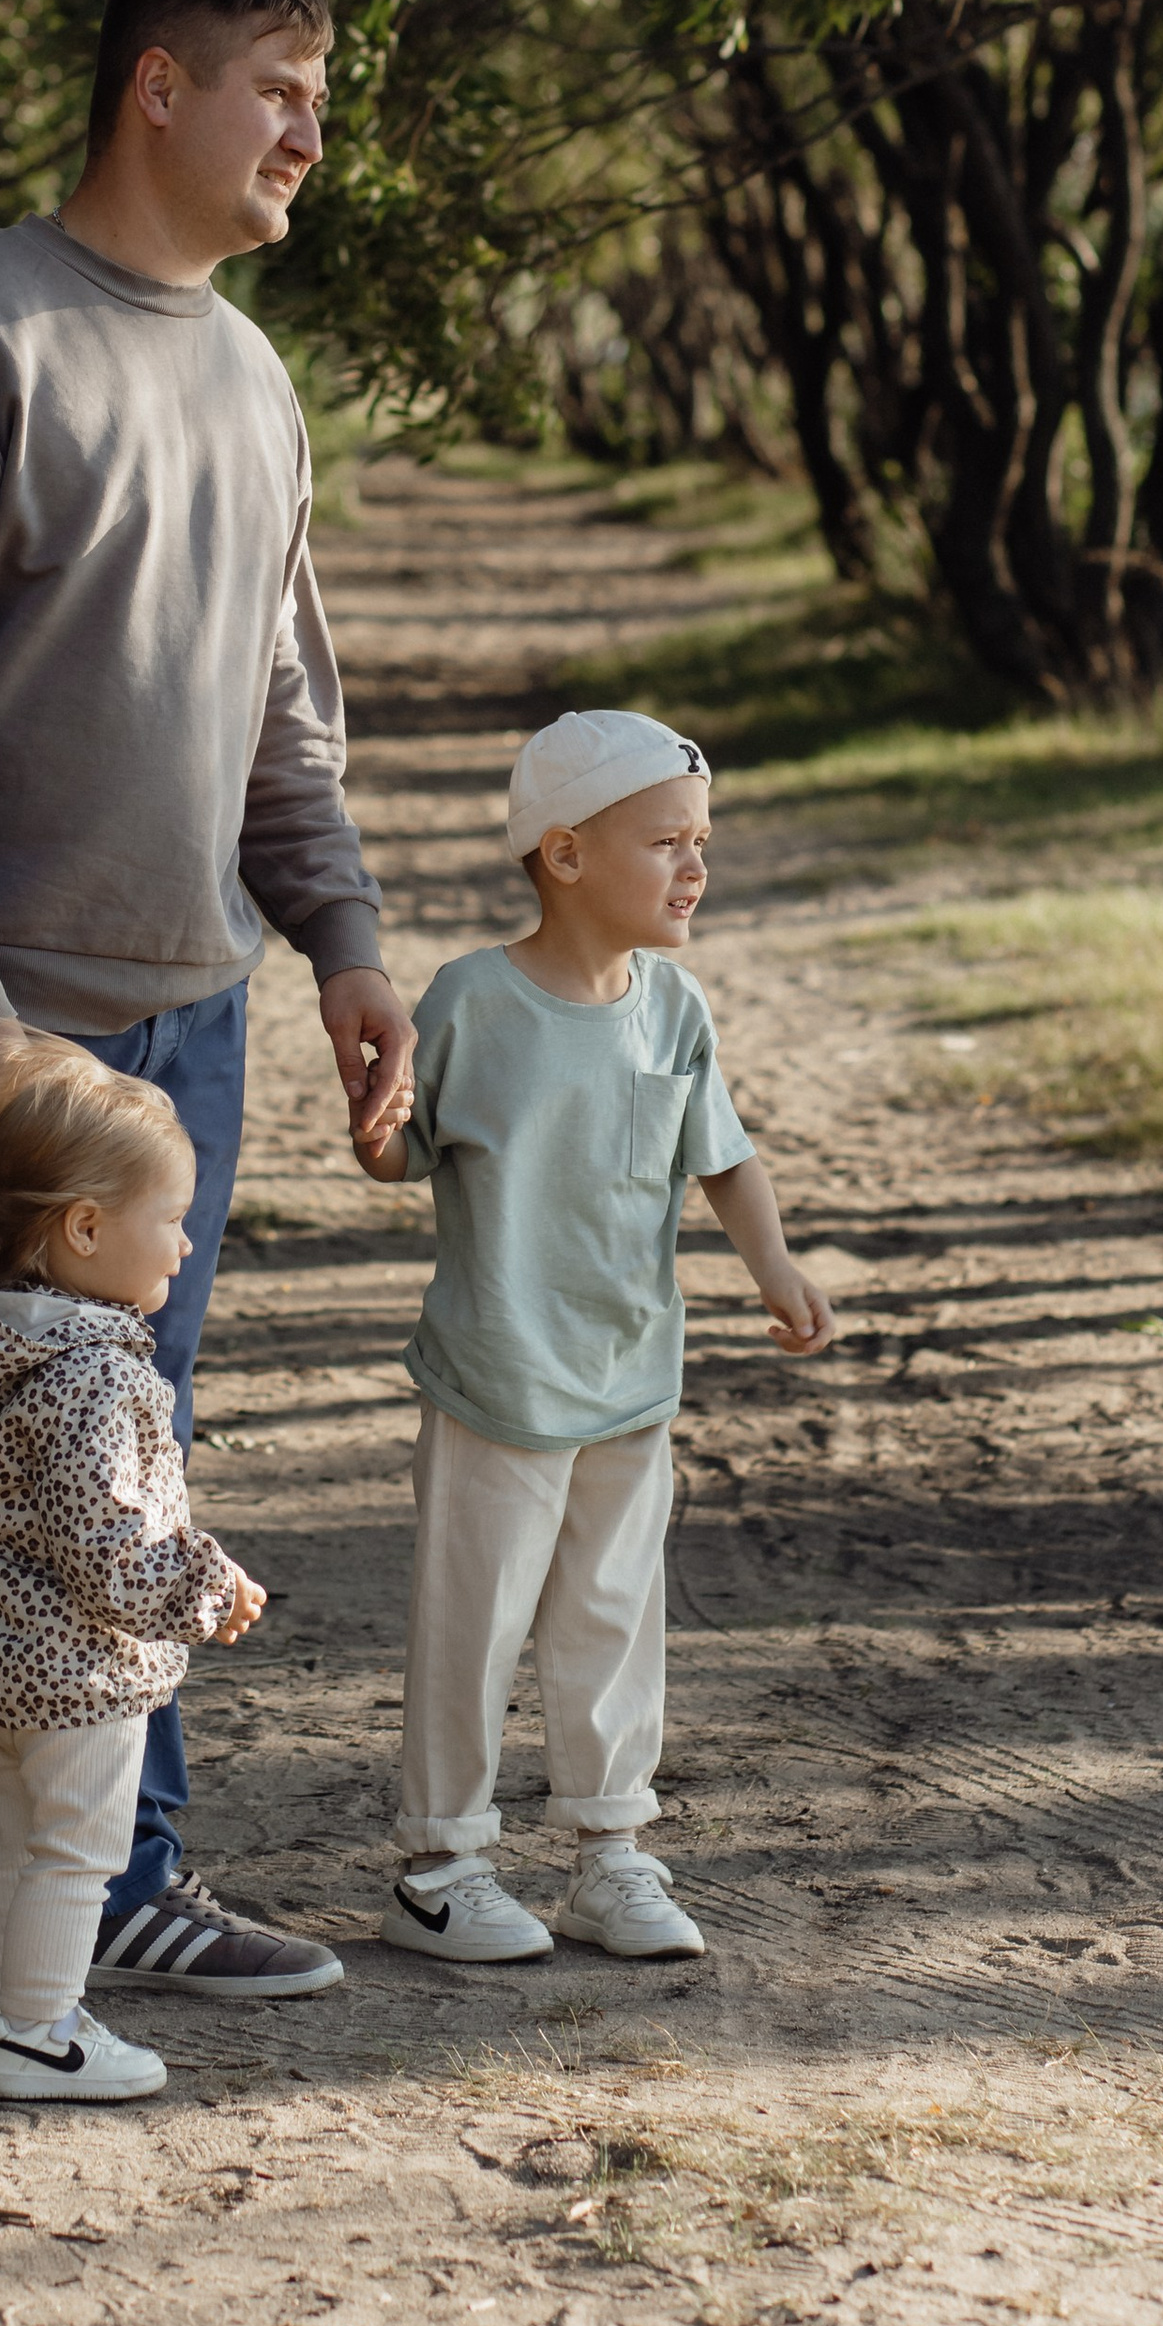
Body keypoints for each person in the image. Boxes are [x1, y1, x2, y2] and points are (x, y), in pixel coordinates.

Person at [0, 0, 416, 2029]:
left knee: (135, 1454)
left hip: (186, 1025)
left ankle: (128, 1873)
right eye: (280, 96)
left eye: (317, 105)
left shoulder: (247, 376)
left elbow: (278, 713)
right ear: (158, 85)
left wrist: (336, 936)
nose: (305, 141)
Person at [350, 708, 837, 1967]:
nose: (695, 867)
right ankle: (443, 1862)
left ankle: (608, 1851)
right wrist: (376, 1136)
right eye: (666, 840)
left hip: (629, 1381)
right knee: (476, 1621)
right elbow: (409, 1148)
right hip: (497, 1380)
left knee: (614, 1616)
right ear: (563, 856)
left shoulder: (673, 1007)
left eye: (702, 841)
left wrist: (773, 1267)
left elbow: (720, 1157)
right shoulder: (470, 998)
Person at [0, 1047, 269, 2102]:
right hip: (80, 1669)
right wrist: (204, 1587)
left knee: (21, 1838)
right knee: (76, 1856)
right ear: (86, 1229)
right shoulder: (95, 1373)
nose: (187, 1243)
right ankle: (41, 2031)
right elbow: (107, 1546)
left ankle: (4, 2017)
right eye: (172, 1217)